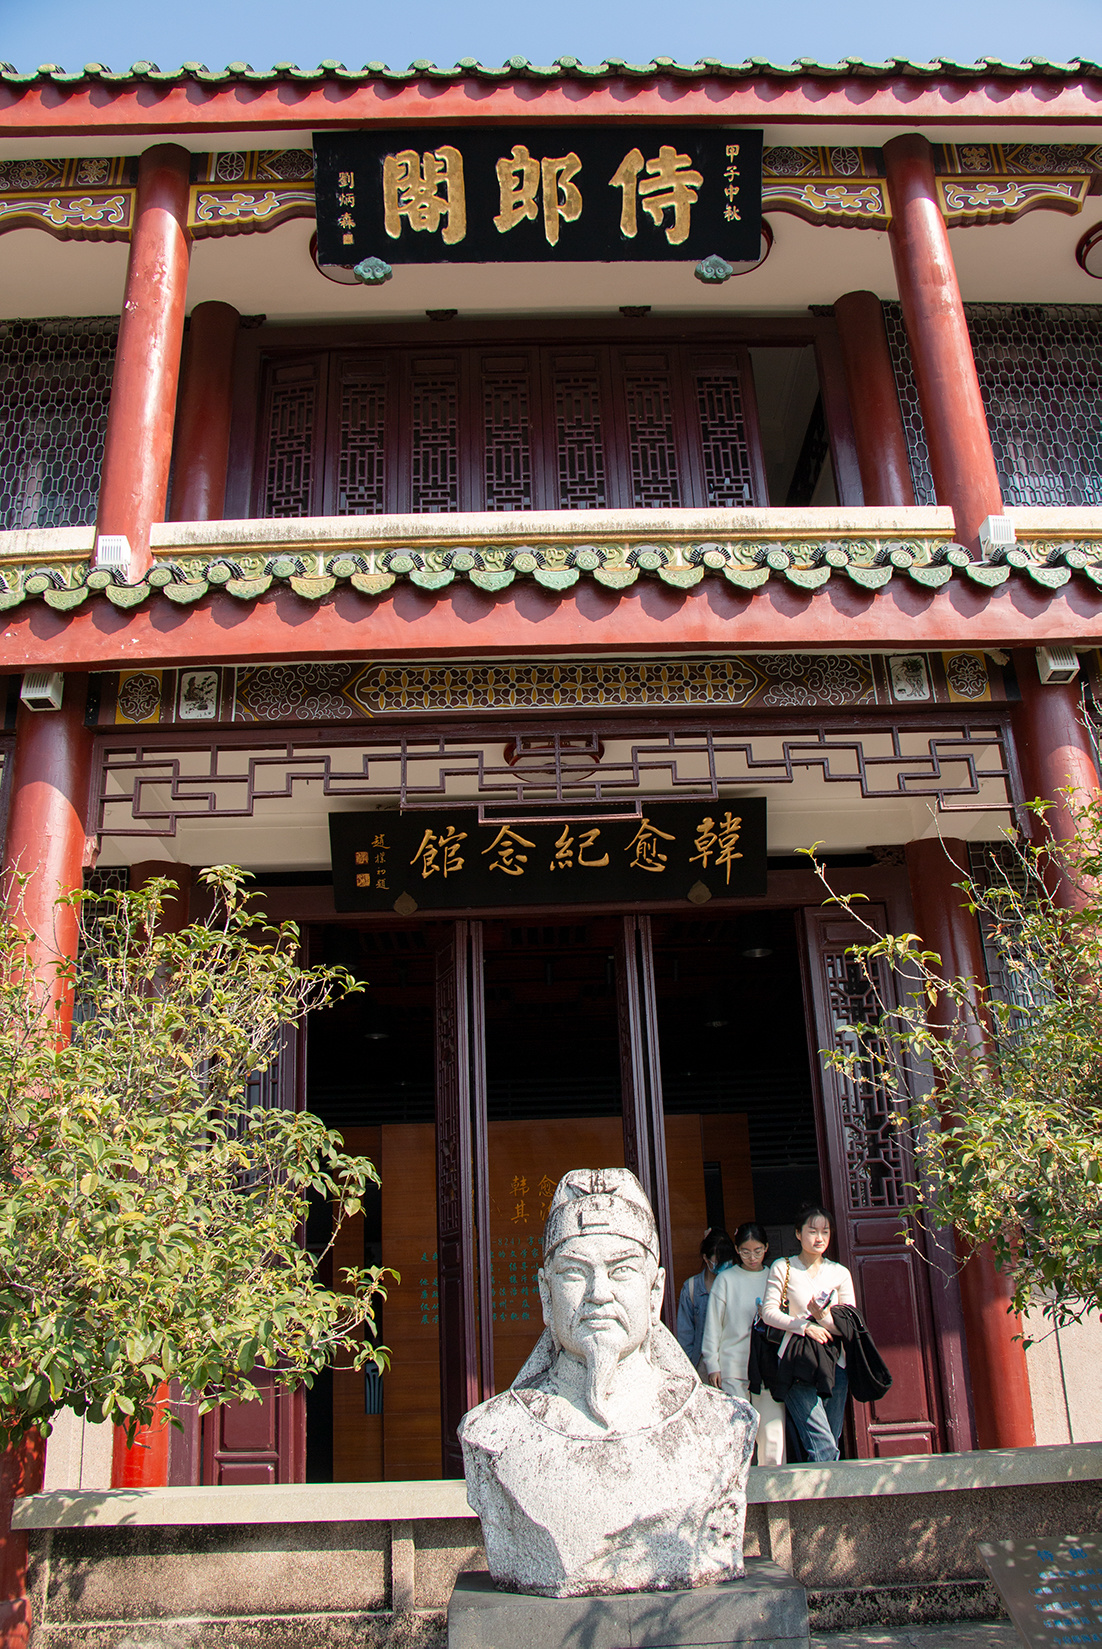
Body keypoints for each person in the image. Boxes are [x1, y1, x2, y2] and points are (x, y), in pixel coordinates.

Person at [459, 1169, 757, 1596]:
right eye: (574, 1273)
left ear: (655, 1292)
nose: (598, 1293)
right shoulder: (495, 1434)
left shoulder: (719, 1425)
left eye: (621, 1271)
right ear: (545, 1294)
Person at [760, 1203, 856, 1463]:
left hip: (835, 1364)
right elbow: (768, 1312)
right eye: (812, 1231)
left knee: (830, 1441)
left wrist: (822, 1318)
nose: (819, 1238)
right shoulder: (783, 1267)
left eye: (825, 1231)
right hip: (797, 1363)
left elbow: (849, 1323)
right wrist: (804, 1326)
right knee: (823, 1446)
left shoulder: (839, 1273)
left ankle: (822, 1487)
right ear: (798, 1233)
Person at [702, 1221, 787, 1465]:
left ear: (766, 1248)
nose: (752, 1257)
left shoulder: (774, 1277)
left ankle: (773, 1487)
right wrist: (712, 1363)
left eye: (758, 1251)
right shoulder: (726, 1280)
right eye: (746, 1251)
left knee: (772, 1438)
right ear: (737, 1251)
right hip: (734, 1367)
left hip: (768, 1369)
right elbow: (713, 1325)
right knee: (737, 1436)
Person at [676, 1227, 735, 1374]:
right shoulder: (691, 1288)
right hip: (703, 1365)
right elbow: (685, 1337)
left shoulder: (738, 1283)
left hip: (734, 1362)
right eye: (718, 1262)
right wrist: (690, 1371)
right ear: (705, 1258)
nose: (724, 1266)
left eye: (727, 1261)